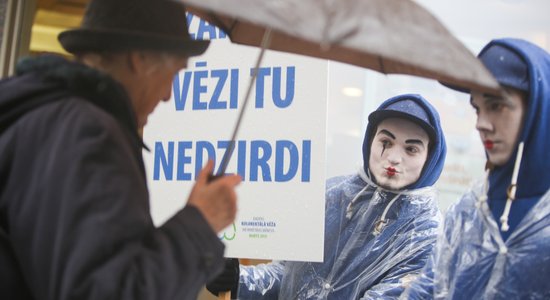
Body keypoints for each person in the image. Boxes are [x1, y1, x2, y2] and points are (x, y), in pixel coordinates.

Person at [0, 0, 241, 299]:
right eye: (175, 73)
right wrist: (200, 224)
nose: (168, 95)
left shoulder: (41, 116)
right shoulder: (88, 133)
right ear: (139, 58)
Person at [206, 93, 447, 299]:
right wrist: (238, 279)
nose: (394, 157)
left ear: (431, 157)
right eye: (386, 141)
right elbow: (288, 273)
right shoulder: (333, 195)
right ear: (370, 140)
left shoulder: (425, 231)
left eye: (411, 149)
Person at [403, 38, 550, 299]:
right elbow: (429, 288)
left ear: (538, 108)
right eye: (477, 108)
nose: (481, 123)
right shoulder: (469, 211)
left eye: (496, 106)